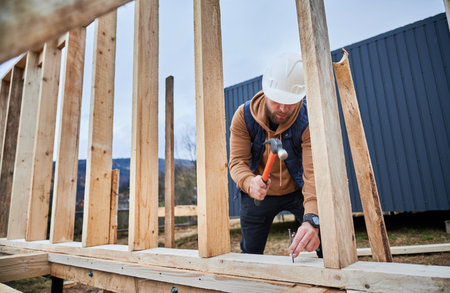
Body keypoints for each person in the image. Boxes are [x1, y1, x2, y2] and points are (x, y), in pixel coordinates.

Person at [228, 52, 321, 258]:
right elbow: (236, 162)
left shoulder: (307, 121)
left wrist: (312, 218)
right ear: (266, 91)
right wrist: (249, 182)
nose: (283, 108)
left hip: (298, 191)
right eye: (278, 100)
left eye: (291, 102)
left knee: (324, 242)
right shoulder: (244, 117)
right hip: (258, 195)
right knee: (250, 255)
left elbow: (313, 174)